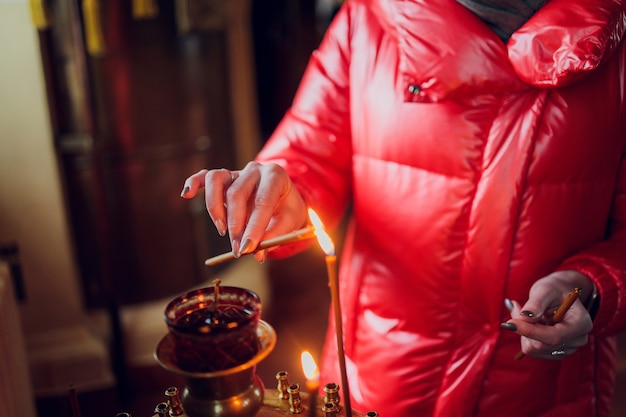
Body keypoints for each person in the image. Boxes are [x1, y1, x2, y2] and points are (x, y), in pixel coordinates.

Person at [181, 1, 626, 416]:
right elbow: (309, 154)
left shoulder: (615, 45)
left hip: (547, 390)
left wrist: (590, 284)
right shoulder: (368, 20)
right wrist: (280, 196)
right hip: (381, 371)